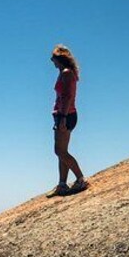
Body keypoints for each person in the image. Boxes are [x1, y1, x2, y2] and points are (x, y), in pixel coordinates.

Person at [46, 44, 88, 197]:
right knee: (61, 152)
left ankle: (80, 179)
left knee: (59, 151)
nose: (52, 61)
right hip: (62, 115)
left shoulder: (67, 73)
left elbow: (68, 97)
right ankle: (62, 184)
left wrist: (63, 117)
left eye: (53, 58)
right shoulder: (63, 73)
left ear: (60, 59)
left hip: (66, 115)